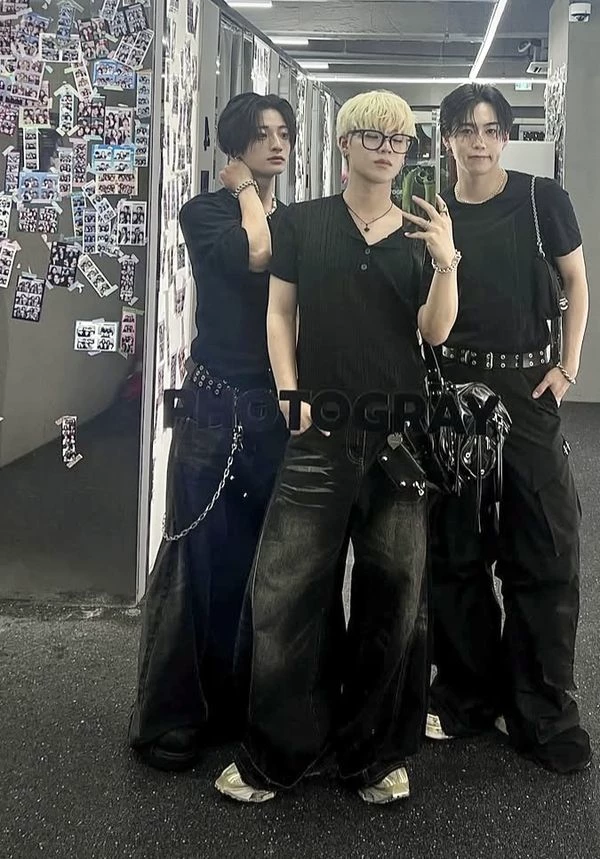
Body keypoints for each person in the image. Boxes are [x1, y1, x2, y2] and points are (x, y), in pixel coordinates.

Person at [216, 90, 460, 805]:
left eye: (399, 140)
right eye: (373, 136)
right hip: (318, 433)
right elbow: (279, 312)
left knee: (394, 597)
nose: (388, 149)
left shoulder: (420, 234)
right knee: (286, 592)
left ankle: (373, 752)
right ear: (345, 143)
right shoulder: (302, 223)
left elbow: (435, 332)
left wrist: (447, 263)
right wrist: (288, 389)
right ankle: (277, 752)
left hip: (398, 440)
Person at [424, 84, 592, 774]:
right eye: (466, 129)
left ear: (506, 137)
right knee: (455, 552)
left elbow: (576, 282)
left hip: (527, 388)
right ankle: (467, 695)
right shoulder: (433, 212)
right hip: (454, 391)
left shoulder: (540, 199)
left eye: (492, 129)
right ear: (447, 138)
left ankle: (542, 708)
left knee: (546, 546)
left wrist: (568, 367)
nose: (480, 141)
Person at [129, 92, 297, 771]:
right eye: (261, 135)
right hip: (212, 404)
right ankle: (174, 715)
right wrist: (245, 190)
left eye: (283, 133)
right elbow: (256, 254)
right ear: (235, 146)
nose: (277, 144)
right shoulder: (205, 213)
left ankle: (244, 704)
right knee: (196, 555)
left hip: (272, 408)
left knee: (267, 561)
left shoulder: (296, 219)